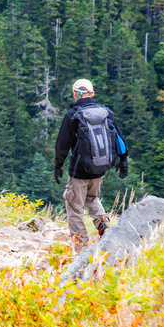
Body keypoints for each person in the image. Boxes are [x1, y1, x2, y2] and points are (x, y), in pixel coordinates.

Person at [54, 78, 129, 253]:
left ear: (75, 94)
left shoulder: (72, 115)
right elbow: (119, 139)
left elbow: (62, 144)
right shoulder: (106, 113)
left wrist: (58, 165)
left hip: (79, 171)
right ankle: (103, 224)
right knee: (91, 198)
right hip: (100, 168)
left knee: (74, 206)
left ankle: (81, 247)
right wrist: (123, 161)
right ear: (92, 94)